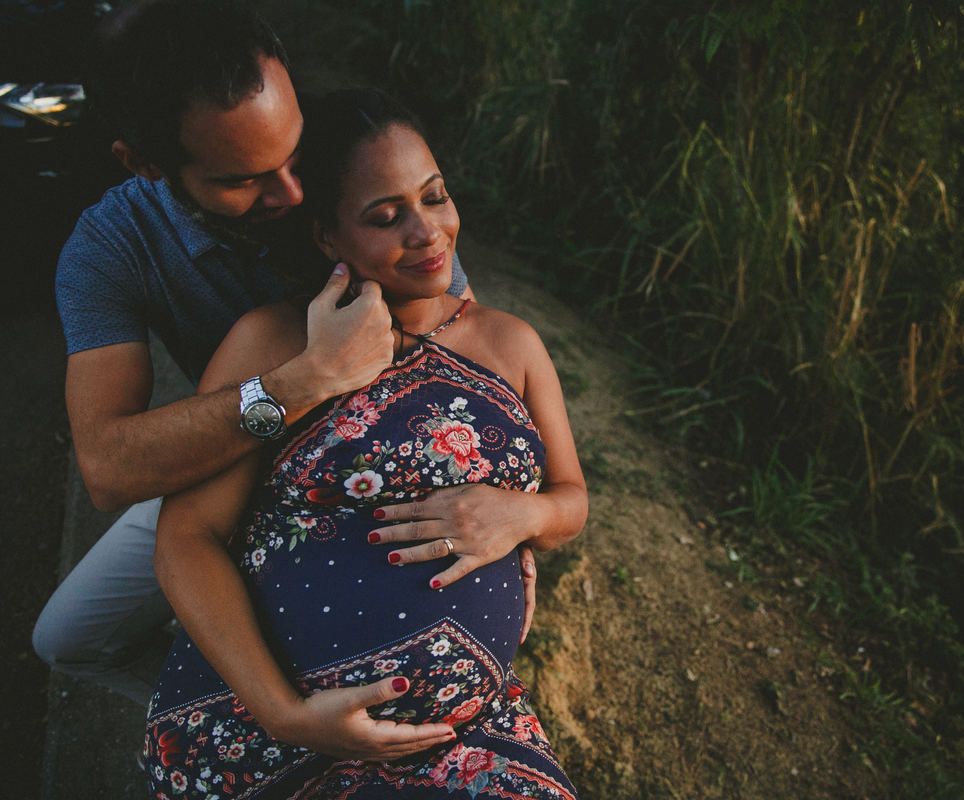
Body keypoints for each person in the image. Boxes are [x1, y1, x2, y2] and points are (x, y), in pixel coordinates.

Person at [33, 0, 545, 760]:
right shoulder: (106, 251)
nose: (292, 194)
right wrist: (299, 382)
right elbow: (108, 468)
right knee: (68, 637)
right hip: (231, 462)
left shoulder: (351, 158)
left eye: (292, 152)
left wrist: (516, 523)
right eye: (244, 180)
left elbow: (467, 363)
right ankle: (260, 712)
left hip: (377, 463)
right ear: (145, 164)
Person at [143, 87, 586, 799]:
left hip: (465, 736)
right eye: (386, 217)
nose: (427, 231)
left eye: (434, 196)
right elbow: (186, 538)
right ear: (327, 237)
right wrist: (285, 715)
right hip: (269, 731)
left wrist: (524, 516)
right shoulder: (274, 344)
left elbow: (572, 500)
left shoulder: (512, 343)